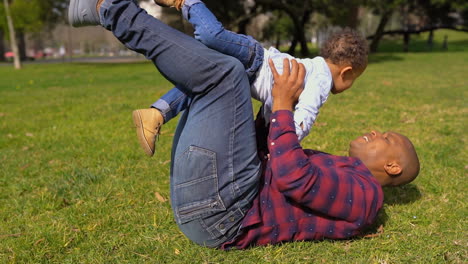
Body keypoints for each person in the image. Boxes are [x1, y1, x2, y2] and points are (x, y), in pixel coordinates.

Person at [69, 0, 420, 249]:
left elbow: (291, 177)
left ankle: (112, 10)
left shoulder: (366, 197)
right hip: (214, 198)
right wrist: (274, 106)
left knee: (225, 72)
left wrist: (282, 104)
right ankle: (156, 108)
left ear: (392, 165)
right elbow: (264, 153)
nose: (376, 131)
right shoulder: (340, 168)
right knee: (230, 69)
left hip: (224, 216)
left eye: (386, 137)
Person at [132, 0, 369, 156]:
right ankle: (186, 2)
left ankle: (155, 114)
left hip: (245, 76)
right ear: (346, 72)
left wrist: (266, 132)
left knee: (203, 81)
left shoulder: (311, 72)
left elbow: (274, 104)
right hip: (254, 60)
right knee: (211, 35)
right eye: (354, 80)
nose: (350, 86)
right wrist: (285, 143)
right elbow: (304, 117)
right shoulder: (320, 81)